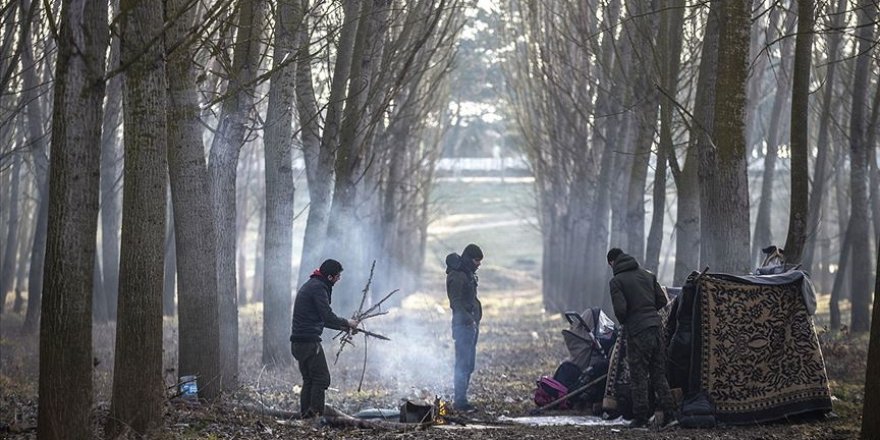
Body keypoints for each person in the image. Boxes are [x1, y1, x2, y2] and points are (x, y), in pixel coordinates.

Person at [606, 248, 676, 429]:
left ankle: (641, 418)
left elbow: (620, 310)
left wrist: (629, 320)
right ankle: (670, 415)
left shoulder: (616, 281)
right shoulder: (648, 275)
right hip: (656, 328)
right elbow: (662, 301)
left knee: (639, 376)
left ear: (612, 262)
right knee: (659, 374)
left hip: (637, 332)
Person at [290, 259, 358, 419]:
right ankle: (315, 418)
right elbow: (326, 315)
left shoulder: (314, 284)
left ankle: (307, 418)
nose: (339, 279)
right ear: (329, 277)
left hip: (299, 342)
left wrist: (343, 327)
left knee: (309, 380)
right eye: (337, 276)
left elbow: (322, 319)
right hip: (308, 343)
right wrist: (347, 322)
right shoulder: (318, 288)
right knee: (322, 379)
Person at [446, 243, 483, 411]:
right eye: (476, 260)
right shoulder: (457, 276)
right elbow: (455, 303)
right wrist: (468, 319)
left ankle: (462, 399)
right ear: (469, 259)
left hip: (471, 325)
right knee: (462, 363)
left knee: (469, 364)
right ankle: (460, 401)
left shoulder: (468, 273)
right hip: (463, 326)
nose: (479, 264)